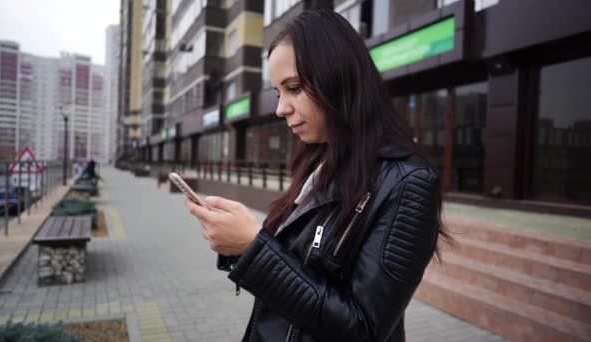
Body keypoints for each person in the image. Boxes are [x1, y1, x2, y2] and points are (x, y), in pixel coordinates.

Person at [185, 10, 448, 342]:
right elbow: (298, 268)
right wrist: (238, 242)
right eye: (279, 93)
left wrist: (255, 248)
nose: (281, 108)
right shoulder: (318, 160)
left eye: (293, 87)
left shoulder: (408, 184)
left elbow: (363, 330)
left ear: (340, 79)